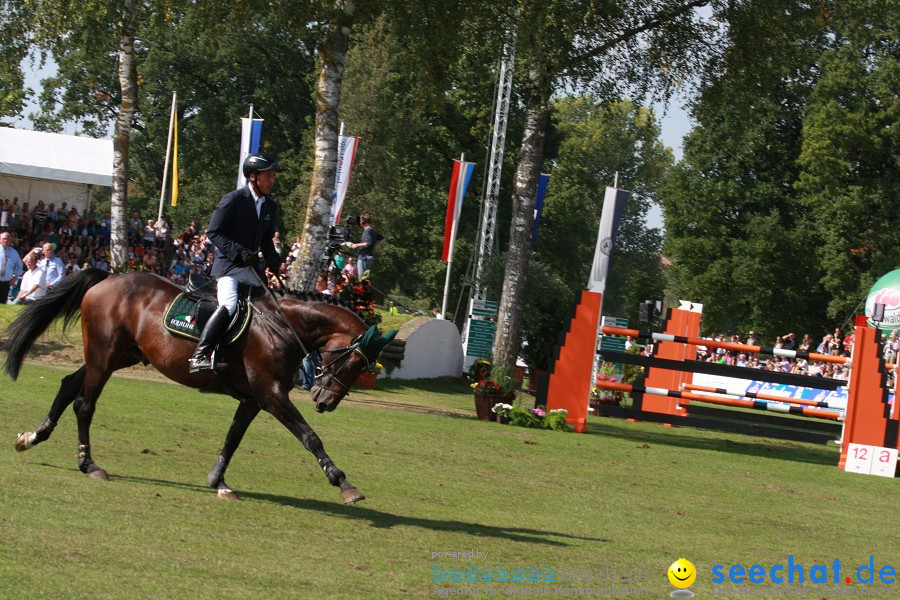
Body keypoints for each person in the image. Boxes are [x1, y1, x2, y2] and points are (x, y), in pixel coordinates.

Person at [188, 152, 280, 373]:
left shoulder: (270, 206)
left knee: (268, 310)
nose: (272, 180)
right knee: (228, 306)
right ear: (252, 177)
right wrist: (238, 251)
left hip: (251, 270)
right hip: (228, 267)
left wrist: (274, 260)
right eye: (268, 176)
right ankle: (200, 355)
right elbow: (214, 232)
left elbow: (266, 239)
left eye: (273, 176)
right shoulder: (233, 200)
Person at [0, 231, 24, 303]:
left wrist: (15, 277)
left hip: (6, 283)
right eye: (4, 238)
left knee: (2, 304)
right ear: (0, 239)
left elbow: (20, 265)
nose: (6, 240)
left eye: (7, 239)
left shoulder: (14, 252)